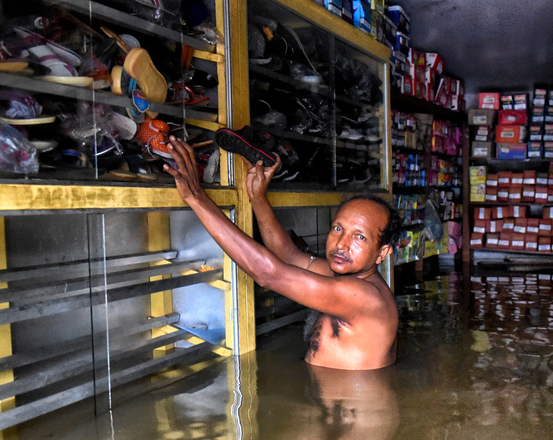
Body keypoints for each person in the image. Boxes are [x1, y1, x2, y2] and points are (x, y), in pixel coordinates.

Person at [163, 136, 400, 370]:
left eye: (360, 237)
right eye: (338, 228)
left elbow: (268, 274)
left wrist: (197, 198)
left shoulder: (365, 296)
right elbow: (289, 257)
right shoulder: (346, 276)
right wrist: (258, 198)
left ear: (383, 253)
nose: (341, 243)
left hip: (348, 405)